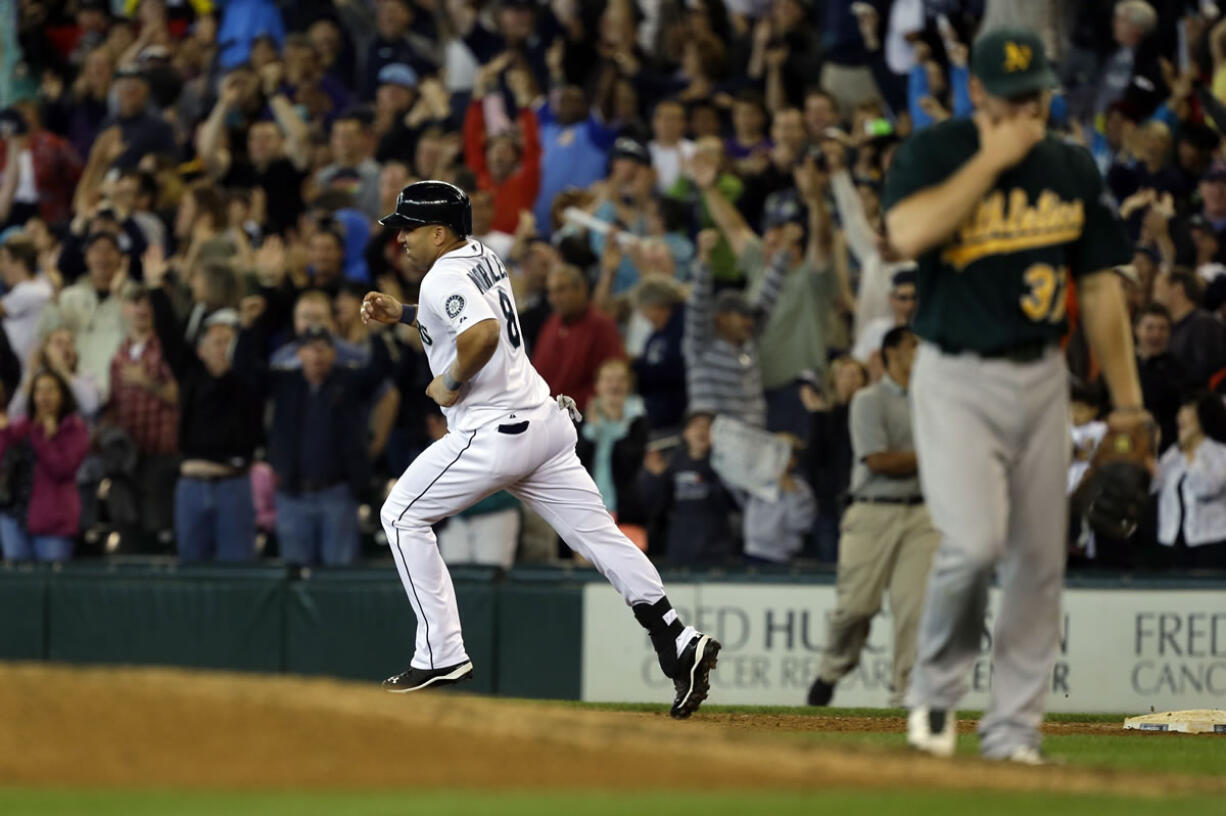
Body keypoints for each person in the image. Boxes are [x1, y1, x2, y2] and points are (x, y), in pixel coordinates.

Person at [883, 29, 1150, 762]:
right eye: (1009, 98)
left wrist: (1127, 404)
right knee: (972, 546)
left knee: (1040, 561)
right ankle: (934, 699)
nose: (1024, 110)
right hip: (956, 375)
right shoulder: (935, 153)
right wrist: (992, 159)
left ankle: (1013, 732)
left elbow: (1098, 288)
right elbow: (906, 233)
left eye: (1033, 96)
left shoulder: (1069, 165)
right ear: (978, 95)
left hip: (1042, 376)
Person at [362, 181, 719, 717]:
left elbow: (479, 335)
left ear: (438, 232)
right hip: (544, 425)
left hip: (494, 432)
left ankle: (440, 653)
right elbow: (464, 316)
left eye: (408, 228)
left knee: (399, 516)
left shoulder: (442, 276)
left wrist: (450, 382)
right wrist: (405, 313)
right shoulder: (480, 256)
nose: (401, 239)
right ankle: (676, 638)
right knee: (601, 538)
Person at [806, 328, 938, 707]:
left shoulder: (936, 401)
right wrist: (934, 454)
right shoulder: (868, 400)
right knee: (855, 608)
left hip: (923, 514)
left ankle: (906, 696)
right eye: (915, 345)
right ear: (892, 353)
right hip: (872, 510)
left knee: (916, 608)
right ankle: (831, 670)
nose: (921, 352)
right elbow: (878, 461)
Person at [684, 228, 788, 428]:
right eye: (741, 316)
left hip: (752, 436)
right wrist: (704, 258)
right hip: (713, 437)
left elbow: (768, 296)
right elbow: (698, 303)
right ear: (721, 318)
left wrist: (784, 252)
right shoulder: (701, 343)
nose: (749, 322)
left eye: (749, 316)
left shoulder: (749, 342)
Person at [0, 370, 90, 562]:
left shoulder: (74, 428)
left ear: (62, 395)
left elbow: (63, 469)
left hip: (53, 522)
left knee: (51, 584)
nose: (44, 396)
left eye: (50, 390)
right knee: (19, 585)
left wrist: (44, 437)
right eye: (38, 391)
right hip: (14, 516)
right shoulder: (24, 423)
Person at [638, 412, 736, 565]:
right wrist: (657, 477)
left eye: (708, 427)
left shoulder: (725, 466)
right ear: (685, 433)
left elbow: (731, 503)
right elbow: (656, 506)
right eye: (696, 425)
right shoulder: (673, 465)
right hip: (681, 548)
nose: (702, 431)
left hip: (715, 550)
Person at [532, 264, 625, 414]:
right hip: (545, 413)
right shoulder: (550, 325)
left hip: (582, 416)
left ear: (581, 289)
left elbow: (614, 382)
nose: (554, 298)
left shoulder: (602, 326)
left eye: (561, 290)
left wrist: (563, 408)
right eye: (551, 292)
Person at [1152, 391, 1226, 569]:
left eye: (1188, 409)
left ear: (1203, 417)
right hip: (1173, 542)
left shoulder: (1220, 453)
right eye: (1180, 410)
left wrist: (1192, 455)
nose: (1181, 415)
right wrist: (1152, 450)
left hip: (1210, 544)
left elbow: (1206, 488)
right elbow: (1152, 487)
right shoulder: (1173, 454)